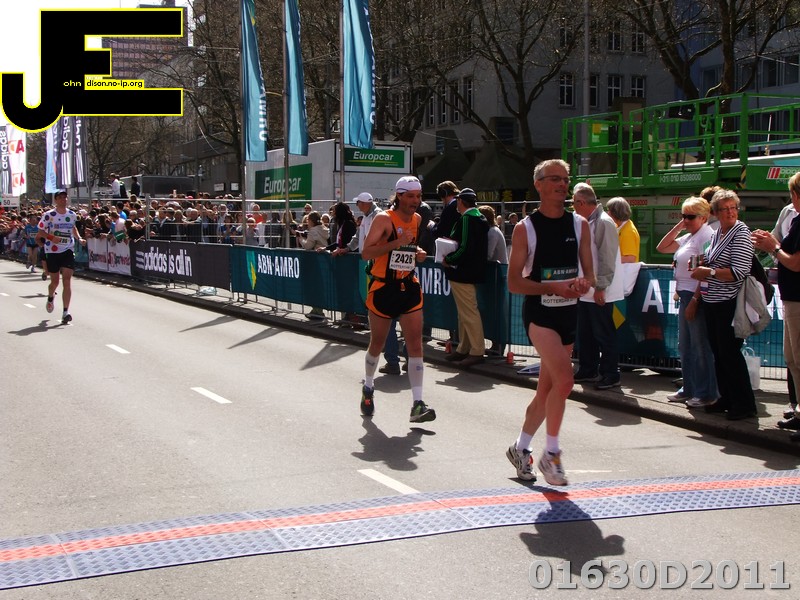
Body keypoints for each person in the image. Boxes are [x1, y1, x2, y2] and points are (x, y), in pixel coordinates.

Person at [505, 159, 594, 485]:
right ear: (539, 184)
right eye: (554, 179)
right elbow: (514, 283)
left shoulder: (580, 225)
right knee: (565, 382)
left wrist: (583, 284)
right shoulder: (525, 228)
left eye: (565, 179)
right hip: (540, 315)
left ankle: (520, 448)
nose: (561, 184)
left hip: (568, 313)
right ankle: (551, 455)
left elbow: (591, 275)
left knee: (547, 391)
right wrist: (551, 287)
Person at [360, 175, 436, 423]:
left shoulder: (417, 219)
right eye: (411, 196)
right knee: (377, 344)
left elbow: (408, 249)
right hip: (384, 288)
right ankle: (368, 387)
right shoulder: (384, 219)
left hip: (408, 286)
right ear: (400, 196)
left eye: (419, 196)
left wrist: (418, 253)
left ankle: (417, 404)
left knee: (415, 345)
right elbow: (366, 253)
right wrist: (395, 243)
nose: (415, 201)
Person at [690, 189, 757, 420]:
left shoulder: (741, 232)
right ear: (716, 212)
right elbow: (712, 260)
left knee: (730, 353)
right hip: (713, 300)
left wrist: (707, 271)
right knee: (718, 352)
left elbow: (739, 271)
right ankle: (726, 398)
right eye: (725, 209)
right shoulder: (719, 232)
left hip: (730, 302)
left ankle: (744, 404)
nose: (730, 212)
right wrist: (700, 264)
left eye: (733, 208)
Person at [656, 196, 718, 407]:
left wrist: (695, 299)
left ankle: (706, 392)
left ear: (703, 217)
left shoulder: (705, 236)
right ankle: (689, 387)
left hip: (694, 296)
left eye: (690, 217)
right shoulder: (690, 236)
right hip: (684, 294)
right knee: (685, 346)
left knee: (700, 346)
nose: (686, 220)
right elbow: (662, 247)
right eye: (684, 216)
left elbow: (705, 272)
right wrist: (679, 226)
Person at [752, 172, 800, 441]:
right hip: (791, 297)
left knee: (798, 359)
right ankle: (798, 411)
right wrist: (771, 244)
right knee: (792, 359)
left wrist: (774, 247)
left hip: (798, 299)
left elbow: (794, 262)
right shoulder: (794, 219)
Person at [572, 183, 624, 390]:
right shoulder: (590, 221)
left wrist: (601, 286)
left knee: (604, 332)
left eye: (574, 203)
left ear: (581, 202)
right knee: (586, 333)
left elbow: (606, 256)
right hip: (587, 289)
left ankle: (611, 373)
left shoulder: (603, 222)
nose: (573, 207)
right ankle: (588, 368)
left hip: (599, 289)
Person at [442, 188, 490, 368]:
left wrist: (449, 259)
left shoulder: (467, 219)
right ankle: (464, 347)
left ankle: (476, 350)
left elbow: (464, 247)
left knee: (468, 313)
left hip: (462, 272)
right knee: (465, 312)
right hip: (473, 270)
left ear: (461, 202)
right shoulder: (479, 218)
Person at [35, 189, 87, 324]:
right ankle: (50, 296)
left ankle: (65, 312)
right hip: (52, 251)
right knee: (55, 282)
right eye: (61, 198)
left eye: (65, 197)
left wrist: (79, 238)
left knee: (67, 280)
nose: (64, 200)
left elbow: (73, 228)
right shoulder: (49, 215)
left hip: (67, 249)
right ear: (56, 200)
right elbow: (40, 231)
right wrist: (52, 237)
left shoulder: (72, 214)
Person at [479, 204, 509, 356]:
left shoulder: (492, 232)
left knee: (496, 311)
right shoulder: (493, 231)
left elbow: (488, 255)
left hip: (497, 277)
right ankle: (495, 344)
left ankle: (498, 345)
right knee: (492, 310)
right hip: (493, 276)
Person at [605, 197, 640, 262]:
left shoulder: (628, 232)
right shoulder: (622, 227)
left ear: (616, 212)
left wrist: (608, 259)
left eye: (609, 211)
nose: (607, 213)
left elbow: (630, 258)